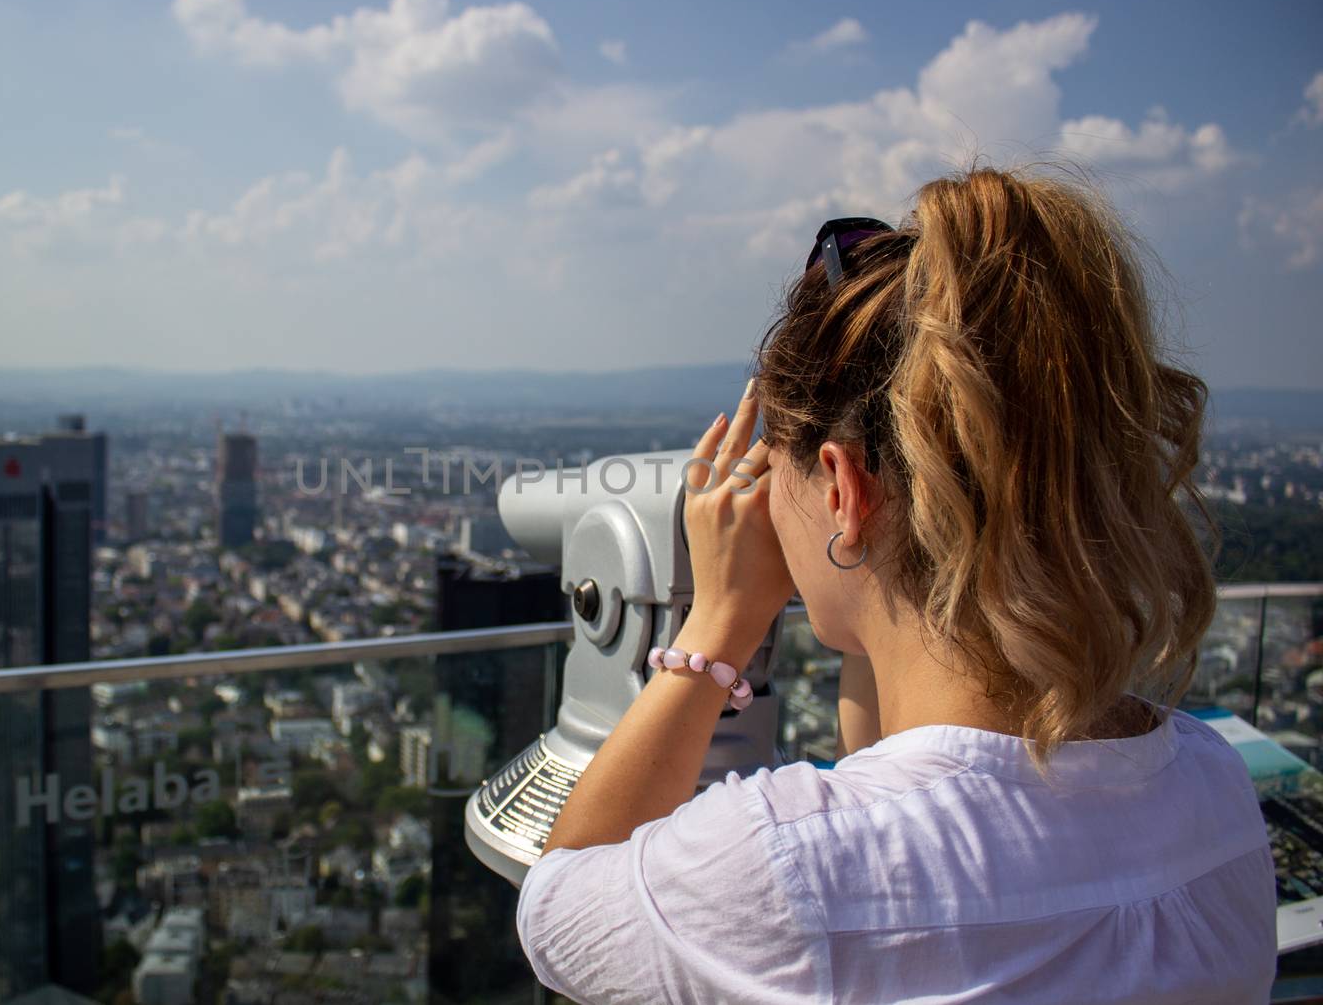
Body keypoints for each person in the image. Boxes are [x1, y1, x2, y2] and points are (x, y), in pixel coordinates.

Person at [514, 167, 1276, 1004]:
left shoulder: (783, 871)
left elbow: (559, 908)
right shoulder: (1215, 792)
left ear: (842, 489)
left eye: (778, 470)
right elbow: (907, 774)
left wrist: (716, 625)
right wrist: (875, 571)